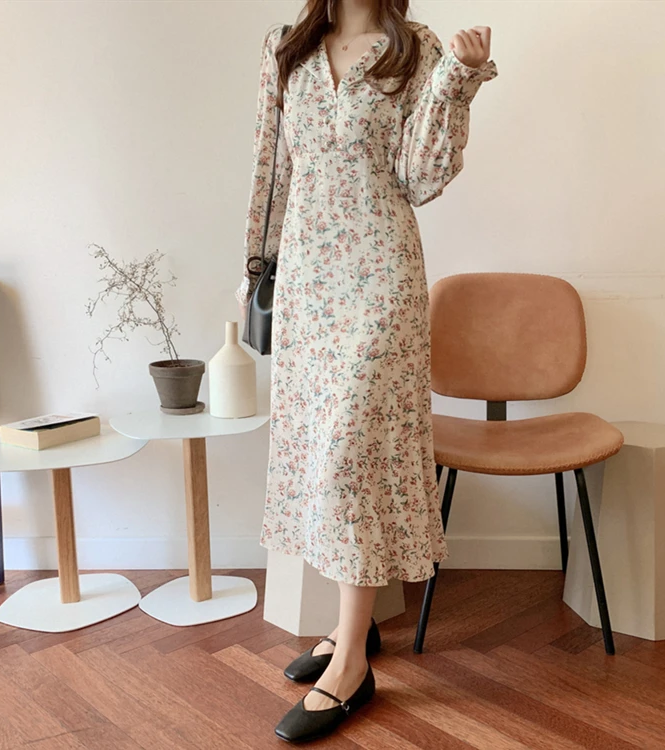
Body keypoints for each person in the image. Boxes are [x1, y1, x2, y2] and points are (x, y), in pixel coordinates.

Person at [235, 0, 497, 742]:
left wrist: (458, 80)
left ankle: (350, 663)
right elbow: (271, 166)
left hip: (382, 277)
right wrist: (255, 267)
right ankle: (355, 629)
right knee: (322, 453)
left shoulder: (416, 49)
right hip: (307, 282)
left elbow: (419, 177)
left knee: (354, 452)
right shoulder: (286, 48)